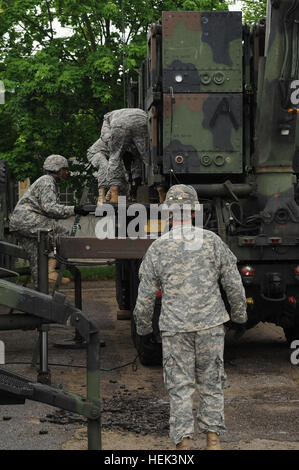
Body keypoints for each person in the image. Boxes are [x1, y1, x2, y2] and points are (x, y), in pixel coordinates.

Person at [133, 184, 247, 450]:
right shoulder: (212, 242)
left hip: (175, 328)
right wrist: (239, 315)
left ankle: (183, 444)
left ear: (168, 213)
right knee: (211, 382)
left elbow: (145, 297)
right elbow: (233, 283)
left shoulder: (158, 248)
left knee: (180, 386)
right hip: (210, 325)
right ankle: (213, 441)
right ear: (195, 211)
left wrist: (142, 329)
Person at [9, 154, 89, 287]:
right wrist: (75, 209)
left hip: (19, 223)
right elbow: (49, 208)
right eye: (64, 169)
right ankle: (50, 273)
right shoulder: (47, 181)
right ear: (56, 169)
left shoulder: (45, 181)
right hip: (28, 219)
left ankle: (40, 286)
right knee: (63, 234)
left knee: (36, 254)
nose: (66, 172)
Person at [87, 108, 149, 204]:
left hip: (121, 125)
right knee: (110, 164)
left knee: (118, 163)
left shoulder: (112, 119)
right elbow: (107, 139)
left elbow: (134, 164)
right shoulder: (107, 118)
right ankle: (102, 196)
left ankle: (113, 194)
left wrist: (136, 184)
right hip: (142, 118)